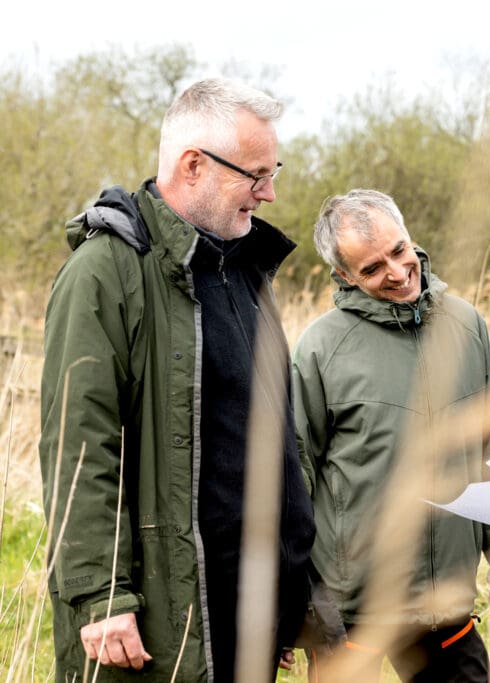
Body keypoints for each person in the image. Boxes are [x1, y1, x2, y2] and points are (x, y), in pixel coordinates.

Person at [38, 78, 315, 681]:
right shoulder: (104, 273)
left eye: (274, 171)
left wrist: (292, 595)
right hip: (159, 622)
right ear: (194, 165)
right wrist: (100, 595)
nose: (269, 193)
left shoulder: (245, 273)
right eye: (257, 174)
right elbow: (78, 446)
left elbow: (277, 447)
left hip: (249, 617)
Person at [291, 189, 490, 681]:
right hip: (351, 614)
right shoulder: (320, 348)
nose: (398, 272)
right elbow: (294, 482)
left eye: (399, 251)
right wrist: (295, 609)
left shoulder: (466, 325)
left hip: (446, 606)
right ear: (344, 276)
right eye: (372, 268)